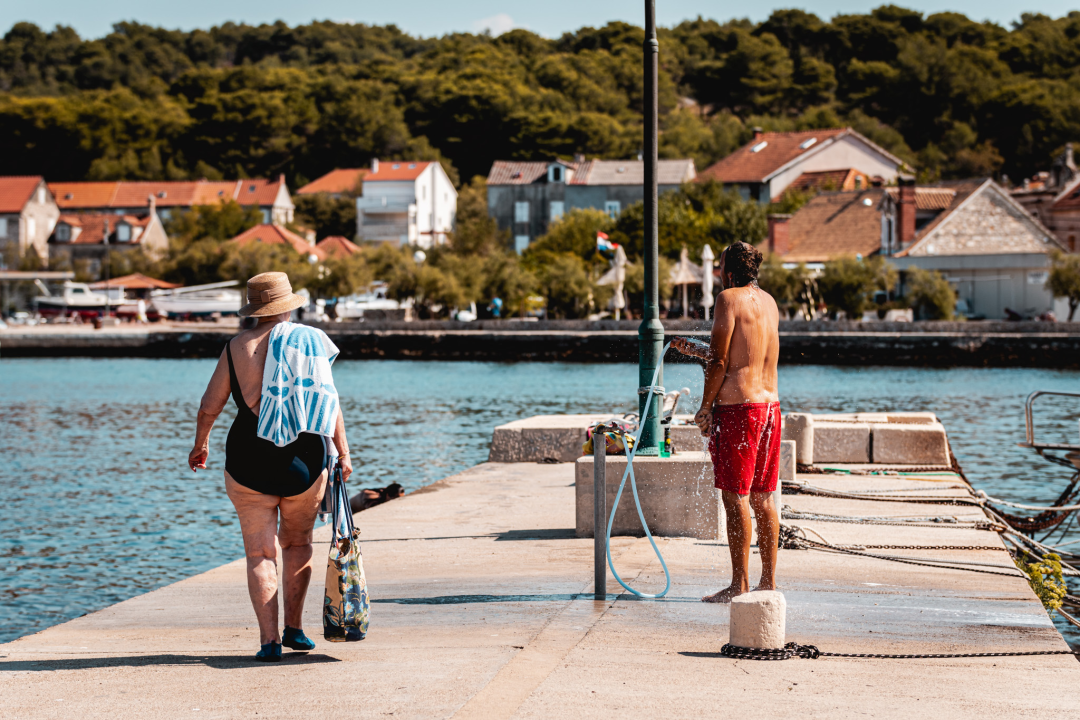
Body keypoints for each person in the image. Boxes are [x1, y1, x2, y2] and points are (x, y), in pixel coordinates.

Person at [188, 272, 353, 662]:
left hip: (248, 462)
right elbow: (328, 403)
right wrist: (343, 453)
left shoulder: (236, 346)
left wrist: (200, 444)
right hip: (304, 461)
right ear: (288, 304)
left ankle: (269, 641)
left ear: (254, 308)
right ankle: (295, 629)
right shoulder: (309, 342)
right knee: (298, 545)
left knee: (260, 554)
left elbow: (209, 406)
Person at [672, 241, 780, 603]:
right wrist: (696, 349)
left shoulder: (727, 299)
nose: (719, 274)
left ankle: (740, 584)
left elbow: (720, 364)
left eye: (720, 268)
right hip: (770, 408)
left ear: (729, 271)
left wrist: (705, 408)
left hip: (740, 411)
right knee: (764, 498)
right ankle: (768, 583)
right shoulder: (769, 302)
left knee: (736, 498)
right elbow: (742, 358)